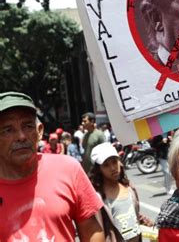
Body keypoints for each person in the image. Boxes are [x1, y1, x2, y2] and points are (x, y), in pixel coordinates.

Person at [0, 91, 105, 241]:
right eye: (8, 130)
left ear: (39, 132)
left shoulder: (68, 169)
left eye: (28, 126)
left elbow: (92, 231)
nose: (21, 136)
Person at [89, 142, 153, 241]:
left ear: (120, 162)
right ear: (99, 170)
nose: (113, 168)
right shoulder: (98, 197)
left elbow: (131, 213)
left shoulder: (130, 188)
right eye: (106, 165)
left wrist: (144, 220)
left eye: (114, 162)